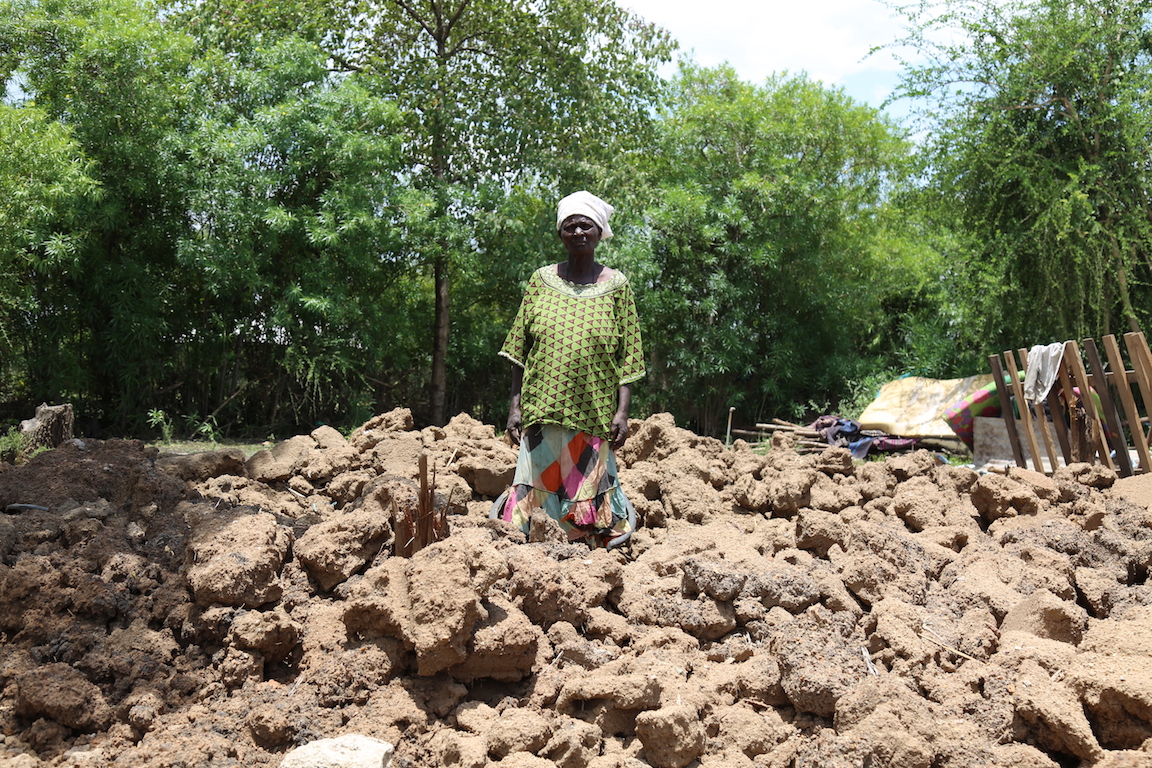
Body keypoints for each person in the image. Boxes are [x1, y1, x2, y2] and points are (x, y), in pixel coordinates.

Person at [491, 191, 645, 547]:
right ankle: (528, 539)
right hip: (542, 407)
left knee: (588, 483)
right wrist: (514, 407)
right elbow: (518, 349)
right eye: (570, 225)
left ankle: (585, 545)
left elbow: (630, 356)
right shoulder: (540, 281)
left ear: (598, 232)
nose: (578, 232)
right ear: (560, 233)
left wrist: (622, 413)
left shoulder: (617, 286)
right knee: (535, 479)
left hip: (593, 411)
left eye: (585, 225)